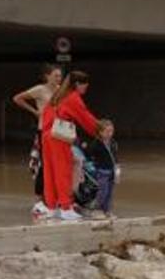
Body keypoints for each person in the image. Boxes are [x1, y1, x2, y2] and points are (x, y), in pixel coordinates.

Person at [39, 71, 100, 221]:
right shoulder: (73, 98)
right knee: (63, 171)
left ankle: (52, 208)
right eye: (85, 85)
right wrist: (100, 129)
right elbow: (85, 117)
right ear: (78, 84)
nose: (86, 88)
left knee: (50, 172)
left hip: (47, 135)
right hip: (59, 137)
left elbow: (45, 115)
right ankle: (66, 208)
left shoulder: (58, 96)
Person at [12, 65, 62, 219]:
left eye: (60, 76)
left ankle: (55, 198)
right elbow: (17, 98)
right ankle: (39, 199)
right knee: (44, 165)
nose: (58, 79)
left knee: (58, 165)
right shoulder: (40, 90)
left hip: (59, 131)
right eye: (55, 76)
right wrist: (35, 112)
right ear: (47, 76)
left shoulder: (61, 90)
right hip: (44, 131)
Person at [85, 118, 120, 220]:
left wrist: (117, 169)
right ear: (100, 132)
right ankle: (97, 210)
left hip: (112, 171)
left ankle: (107, 211)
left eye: (111, 131)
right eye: (107, 131)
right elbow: (88, 156)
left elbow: (115, 156)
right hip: (101, 171)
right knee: (102, 191)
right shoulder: (96, 144)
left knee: (109, 192)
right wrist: (91, 167)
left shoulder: (113, 143)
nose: (110, 134)